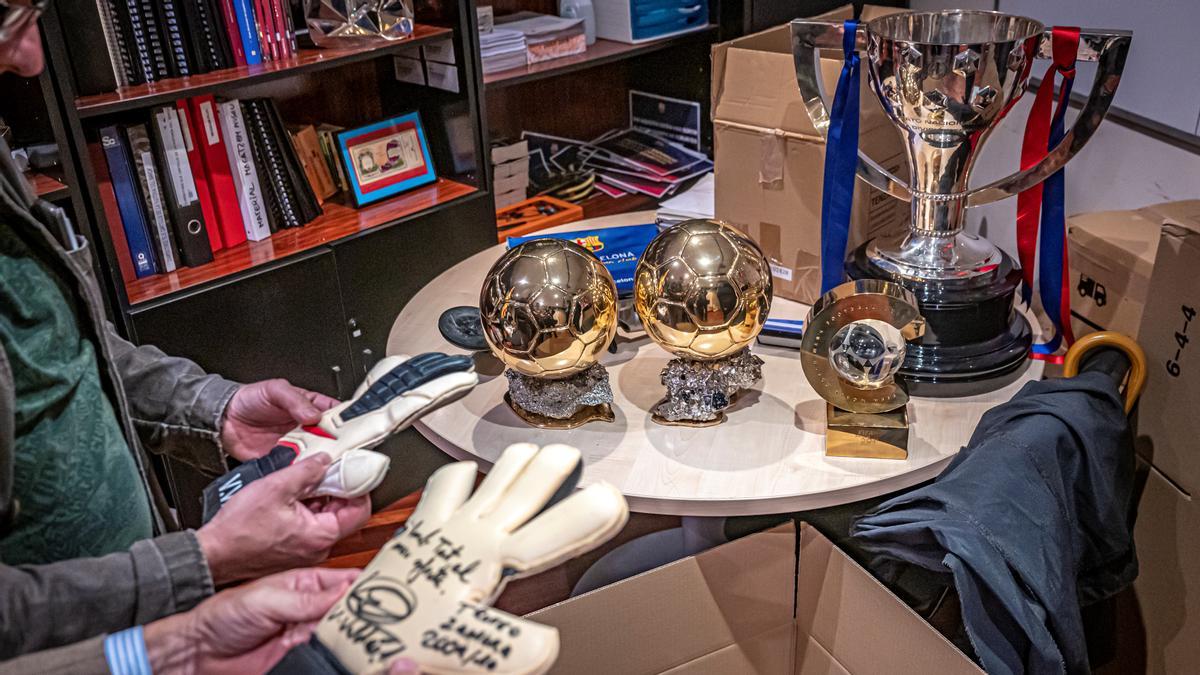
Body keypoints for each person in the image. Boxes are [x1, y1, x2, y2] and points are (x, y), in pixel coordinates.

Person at [0, 0, 371, 664]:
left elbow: (69, 350)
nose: (30, 59)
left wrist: (216, 410)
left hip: (141, 615)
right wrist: (203, 559)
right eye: (5, 23)